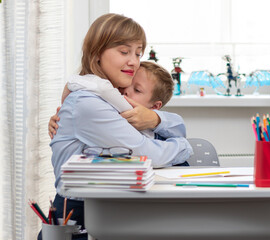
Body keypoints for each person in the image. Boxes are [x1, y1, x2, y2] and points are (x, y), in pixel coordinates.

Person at [38, 13, 193, 240]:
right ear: (97, 52)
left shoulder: (113, 98)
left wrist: (155, 119)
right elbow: (145, 152)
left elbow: (176, 126)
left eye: (138, 53)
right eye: (124, 51)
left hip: (115, 212)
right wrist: (183, 146)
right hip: (81, 215)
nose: (133, 61)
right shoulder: (87, 103)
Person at [49, 61, 183, 140]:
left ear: (155, 106)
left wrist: (155, 120)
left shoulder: (153, 133)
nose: (126, 90)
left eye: (137, 90)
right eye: (127, 83)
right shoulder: (104, 104)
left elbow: (178, 127)